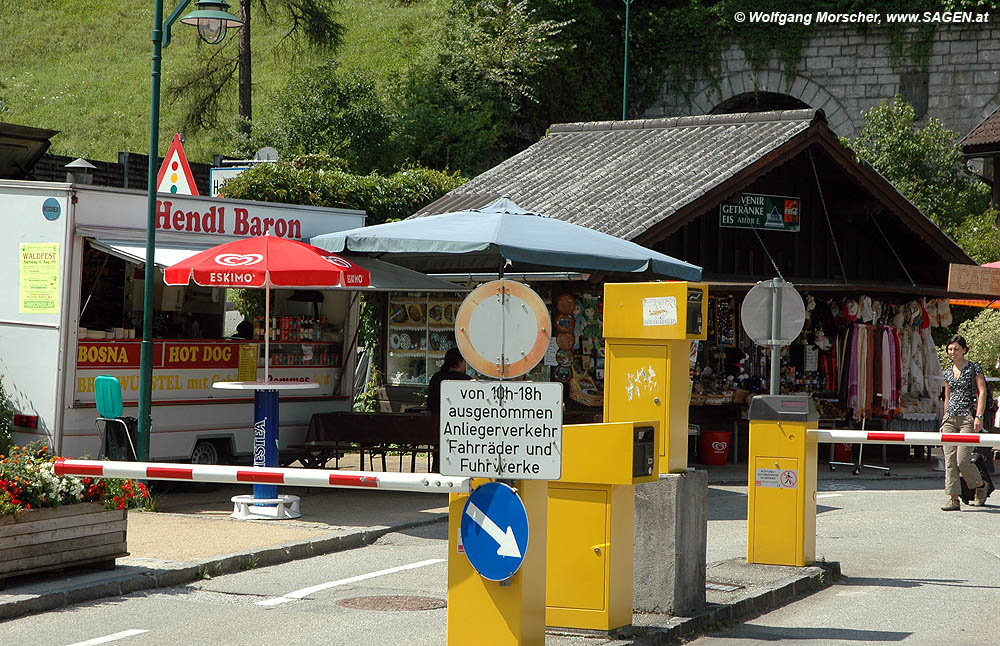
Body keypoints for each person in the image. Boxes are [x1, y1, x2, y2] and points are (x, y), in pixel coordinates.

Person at [940, 335, 988, 510]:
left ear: (964, 350)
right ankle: (953, 498)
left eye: (957, 349)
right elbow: (947, 397)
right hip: (950, 418)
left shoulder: (974, 368)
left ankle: (980, 485)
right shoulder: (947, 372)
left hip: (968, 417)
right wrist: (944, 418)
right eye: (950, 349)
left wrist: (979, 416)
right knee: (949, 459)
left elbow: (982, 392)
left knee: (962, 459)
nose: (953, 352)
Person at [426, 348, 472, 413]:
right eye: (464, 362)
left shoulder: (436, 377)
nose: (465, 365)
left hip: (435, 416)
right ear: (459, 362)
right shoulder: (466, 380)